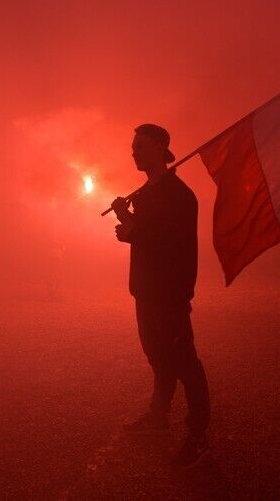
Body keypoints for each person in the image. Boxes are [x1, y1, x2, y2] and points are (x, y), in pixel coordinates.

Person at [111, 124, 210, 468]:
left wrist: (133, 231)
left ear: (160, 149)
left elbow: (172, 243)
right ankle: (158, 416)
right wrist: (127, 216)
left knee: (185, 364)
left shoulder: (178, 194)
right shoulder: (150, 193)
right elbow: (150, 231)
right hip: (145, 292)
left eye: (140, 146)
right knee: (159, 360)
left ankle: (198, 436)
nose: (134, 152)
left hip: (168, 295)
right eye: (133, 147)